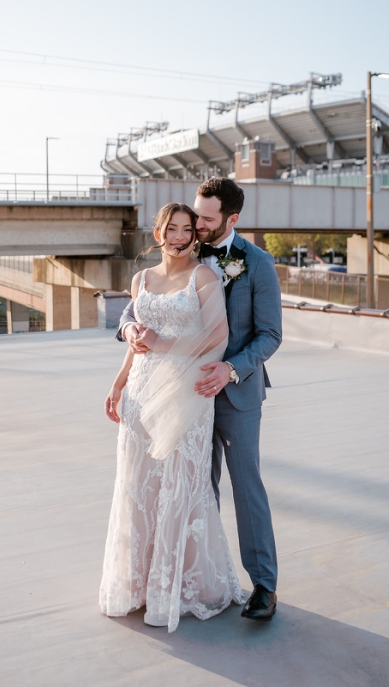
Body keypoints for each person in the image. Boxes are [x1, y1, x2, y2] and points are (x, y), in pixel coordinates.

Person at [116, 178, 282, 622]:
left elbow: (270, 335)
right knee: (188, 490)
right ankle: (194, 578)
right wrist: (127, 327)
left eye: (207, 219)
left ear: (232, 218)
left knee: (246, 487)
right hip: (179, 393)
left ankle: (264, 584)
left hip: (234, 391)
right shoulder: (185, 251)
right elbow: (140, 305)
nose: (197, 227)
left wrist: (231, 369)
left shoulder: (257, 264)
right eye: (195, 216)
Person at [99, 202, 246, 631]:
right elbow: (136, 340)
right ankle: (141, 586)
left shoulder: (203, 276)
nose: (180, 237)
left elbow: (218, 335)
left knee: (182, 484)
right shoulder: (141, 279)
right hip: (141, 394)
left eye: (187, 230)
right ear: (158, 232)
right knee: (138, 487)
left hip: (185, 392)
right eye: (172, 229)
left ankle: (184, 586)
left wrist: (162, 344)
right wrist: (119, 382)